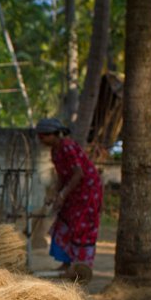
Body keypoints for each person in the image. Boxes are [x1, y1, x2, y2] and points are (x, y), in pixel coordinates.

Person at [35, 117, 103, 281]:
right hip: (72, 192)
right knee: (64, 224)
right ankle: (66, 264)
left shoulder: (68, 147)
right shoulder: (55, 151)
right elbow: (61, 175)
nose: (41, 139)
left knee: (81, 227)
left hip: (86, 192)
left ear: (55, 134)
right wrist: (54, 194)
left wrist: (63, 194)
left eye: (44, 135)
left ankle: (81, 268)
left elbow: (78, 173)